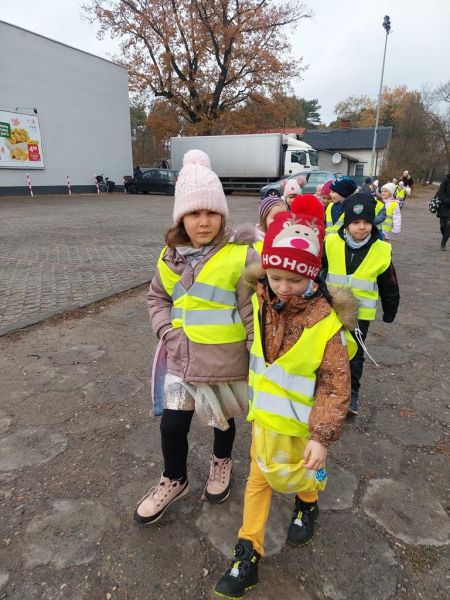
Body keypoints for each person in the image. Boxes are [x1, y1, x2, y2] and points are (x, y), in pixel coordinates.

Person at [215, 195, 358, 598]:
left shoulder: (327, 323)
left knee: (303, 472)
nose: (282, 287)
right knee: (258, 480)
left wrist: (321, 437)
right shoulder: (261, 301)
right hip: (263, 420)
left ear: (311, 276)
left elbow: (334, 383)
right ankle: (248, 552)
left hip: (302, 426)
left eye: (293, 280)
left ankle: (307, 503)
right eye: (275, 277)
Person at [134, 149, 259, 525]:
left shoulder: (240, 256)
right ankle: (174, 478)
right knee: (172, 425)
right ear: (181, 218)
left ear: (222, 215)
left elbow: (252, 311)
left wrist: (257, 357)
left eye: (211, 212)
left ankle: (222, 462)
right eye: (193, 213)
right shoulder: (168, 257)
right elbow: (157, 297)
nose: (203, 221)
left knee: (223, 420)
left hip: (225, 361)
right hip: (181, 359)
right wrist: (166, 330)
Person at [323, 194, 400, 415]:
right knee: (327, 350)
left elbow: (389, 284)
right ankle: (326, 390)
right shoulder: (331, 243)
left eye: (366, 222)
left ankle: (351, 395)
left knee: (354, 353)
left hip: (359, 315)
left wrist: (390, 309)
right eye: (356, 222)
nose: (362, 227)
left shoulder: (381, 250)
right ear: (347, 223)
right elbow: (318, 272)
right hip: (330, 310)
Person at [436, 172, 450, 250]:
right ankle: (446, 236)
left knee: (449, 224)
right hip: (444, 205)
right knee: (442, 226)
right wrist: (445, 200)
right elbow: (440, 192)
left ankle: (443, 243)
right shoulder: (446, 180)